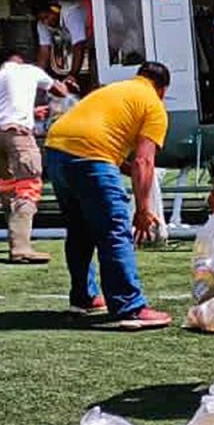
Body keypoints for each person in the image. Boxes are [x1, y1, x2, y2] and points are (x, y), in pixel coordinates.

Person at [43, 62, 174, 330]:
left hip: (56, 150)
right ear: (162, 89)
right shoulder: (154, 105)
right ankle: (129, 307)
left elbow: (114, 155)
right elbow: (143, 162)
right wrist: (143, 210)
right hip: (91, 156)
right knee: (114, 230)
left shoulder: (115, 90)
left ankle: (84, 297)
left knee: (80, 230)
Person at [0, 48, 74, 264]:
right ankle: (21, 249)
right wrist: (70, 90)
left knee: (8, 187)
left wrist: (32, 113)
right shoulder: (30, 70)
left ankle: (14, 241)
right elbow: (59, 91)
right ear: (21, 60)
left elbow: (3, 105)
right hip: (18, 134)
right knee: (28, 186)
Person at [29, 0, 91, 82]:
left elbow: (78, 46)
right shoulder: (42, 24)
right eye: (42, 19)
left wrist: (72, 76)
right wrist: (36, 78)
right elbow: (44, 51)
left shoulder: (71, 12)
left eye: (47, 17)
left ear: (55, 10)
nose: (46, 22)